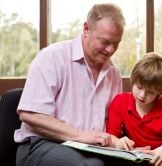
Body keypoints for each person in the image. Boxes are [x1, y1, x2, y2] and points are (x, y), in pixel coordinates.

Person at [14, 3, 125, 166]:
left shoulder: (113, 73)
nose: (110, 50)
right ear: (86, 28)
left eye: (116, 43)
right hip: (41, 144)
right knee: (91, 165)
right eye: (105, 42)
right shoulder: (52, 57)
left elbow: (114, 122)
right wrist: (80, 135)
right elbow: (30, 114)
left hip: (91, 148)